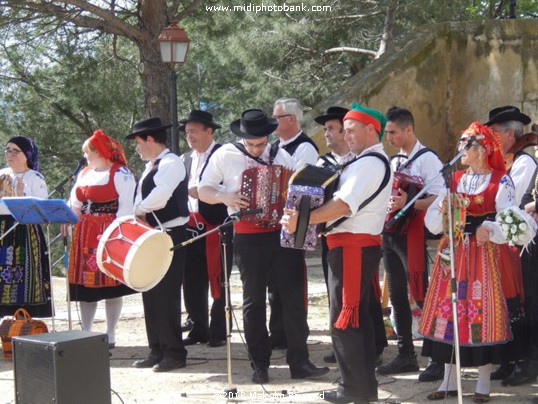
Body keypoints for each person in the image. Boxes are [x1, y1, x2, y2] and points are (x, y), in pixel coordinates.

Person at [198, 109, 329, 384]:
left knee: (293, 298)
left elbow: (298, 185)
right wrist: (227, 196)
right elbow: (203, 190)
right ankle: (260, 364)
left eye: (261, 143)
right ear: (242, 138)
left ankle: (300, 361)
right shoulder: (225, 155)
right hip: (247, 235)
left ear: (268, 136)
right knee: (253, 301)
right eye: (252, 144)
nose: (258, 149)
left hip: (282, 234)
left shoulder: (281, 154)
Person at [282, 103, 392, 403]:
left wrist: (300, 221)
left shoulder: (369, 163)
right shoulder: (364, 161)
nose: (347, 135)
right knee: (355, 319)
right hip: (350, 246)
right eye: (346, 130)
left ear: (372, 130)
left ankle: (354, 389)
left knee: (346, 320)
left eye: (352, 130)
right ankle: (361, 387)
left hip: (353, 247)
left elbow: (344, 204)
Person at [419, 122, 521, 403]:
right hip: (452, 254)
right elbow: (434, 225)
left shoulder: (501, 180)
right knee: (448, 311)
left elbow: (508, 220)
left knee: (480, 313)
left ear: (482, 149)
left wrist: (486, 228)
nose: (459, 149)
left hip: (483, 257)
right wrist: (441, 210)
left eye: (465, 144)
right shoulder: (454, 179)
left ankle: (483, 384)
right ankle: (448, 380)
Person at [376, 107, 445, 382]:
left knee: (422, 293)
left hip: (412, 233)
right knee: (396, 295)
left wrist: (410, 203)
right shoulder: (394, 161)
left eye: (392, 132)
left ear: (408, 129)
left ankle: (438, 357)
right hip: (390, 233)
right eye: (387, 132)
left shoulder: (427, 159)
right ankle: (406, 355)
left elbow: (442, 196)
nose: (388, 137)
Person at [126, 117, 189, 372]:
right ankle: (157, 349)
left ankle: (175, 352)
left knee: (167, 294)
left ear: (150, 139)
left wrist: (138, 210)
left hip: (171, 234)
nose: (137, 148)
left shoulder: (172, 163)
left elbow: (160, 197)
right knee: (150, 291)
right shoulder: (151, 165)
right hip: (152, 234)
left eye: (138, 142)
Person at [67, 129, 136, 348]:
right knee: (87, 288)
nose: (85, 156)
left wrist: (115, 236)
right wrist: (68, 222)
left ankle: (111, 333)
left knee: (111, 285)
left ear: (101, 151)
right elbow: (75, 203)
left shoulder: (121, 173)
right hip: (85, 233)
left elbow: (126, 208)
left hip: (109, 233)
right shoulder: (85, 173)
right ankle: (86, 332)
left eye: (88, 152)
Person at [485, 106, 538, 383]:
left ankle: (528, 361)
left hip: (521, 242)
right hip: (503, 239)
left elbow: (512, 206)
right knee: (506, 303)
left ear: (508, 134)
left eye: (493, 133)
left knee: (526, 301)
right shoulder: (502, 162)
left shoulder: (524, 163)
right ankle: (508, 358)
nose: (489, 138)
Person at [269, 97, 319, 349]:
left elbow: (299, 185)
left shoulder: (305, 148)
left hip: (293, 221)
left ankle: (294, 333)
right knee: (275, 283)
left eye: (276, 117)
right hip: (276, 222)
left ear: (291, 119)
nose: (273, 122)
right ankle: (277, 333)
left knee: (291, 281)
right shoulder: (275, 146)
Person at [179, 110, 230, 348]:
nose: (189, 136)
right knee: (191, 280)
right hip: (190, 226)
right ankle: (199, 328)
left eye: (194, 131)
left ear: (209, 131)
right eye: (187, 132)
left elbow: (232, 186)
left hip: (217, 225)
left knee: (219, 278)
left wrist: (206, 191)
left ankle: (219, 330)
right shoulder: (185, 159)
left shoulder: (224, 155)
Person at [0, 136, 51, 317]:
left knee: (26, 275)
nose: (10, 154)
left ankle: (25, 320)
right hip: (2, 227)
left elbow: (41, 207)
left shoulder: (35, 178)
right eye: (7, 150)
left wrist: (22, 196)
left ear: (27, 155)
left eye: (15, 151)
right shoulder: (1, 174)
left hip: (25, 229)